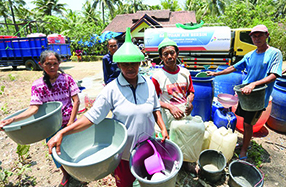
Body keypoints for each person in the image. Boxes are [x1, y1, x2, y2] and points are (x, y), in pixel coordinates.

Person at [47, 28, 168, 187]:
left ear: (140, 63)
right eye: (125, 64)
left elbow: (155, 108)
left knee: (149, 180)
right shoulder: (111, 89)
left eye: (134, 63)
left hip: (147, 147)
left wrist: (163, 128)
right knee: (125, 183)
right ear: (118, 64)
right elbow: (91, 118)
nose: (130, 67)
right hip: (123, 153)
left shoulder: (149, 84)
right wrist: (63, 132)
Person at [0, 50, 80, 187]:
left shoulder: (67, 79)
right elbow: (33, 108)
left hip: (69, 123)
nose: (52, 67)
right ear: (41, 64)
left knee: (75, 148)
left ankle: (78, 173)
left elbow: (76, 101)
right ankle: (66, 174)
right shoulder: (38, 85)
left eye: (55, 63)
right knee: (56, 152)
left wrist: (71, 122)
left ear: (59, 63)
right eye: (48, 64)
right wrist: (12, 120)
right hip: (50, 128)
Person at [207, 24, 282, 160]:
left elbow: (274, 75)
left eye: (260, 35)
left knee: (248, 123)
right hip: (245, 94)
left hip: (258, 97)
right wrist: (216, 73)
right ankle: (245, 142)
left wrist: (254, 84)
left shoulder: (274, 53)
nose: (257, 38)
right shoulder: (250, 55)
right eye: (254, 36)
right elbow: (234, 67)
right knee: (243, 120)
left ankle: (244, 150)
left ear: (267, 36)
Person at [151, 34, 195, 173]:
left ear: (177, 54)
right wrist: (170, 106)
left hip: (184, 116)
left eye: (172, 53)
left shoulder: (185, 73)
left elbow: (191, 92)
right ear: (161, 57)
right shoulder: (157, 76)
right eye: (165, 54)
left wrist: (189, 102)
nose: (169, 56)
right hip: (167, 117)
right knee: (169, 140)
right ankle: (170, 164)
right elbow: (152, 99)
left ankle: (186, 163)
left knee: (186, 139)